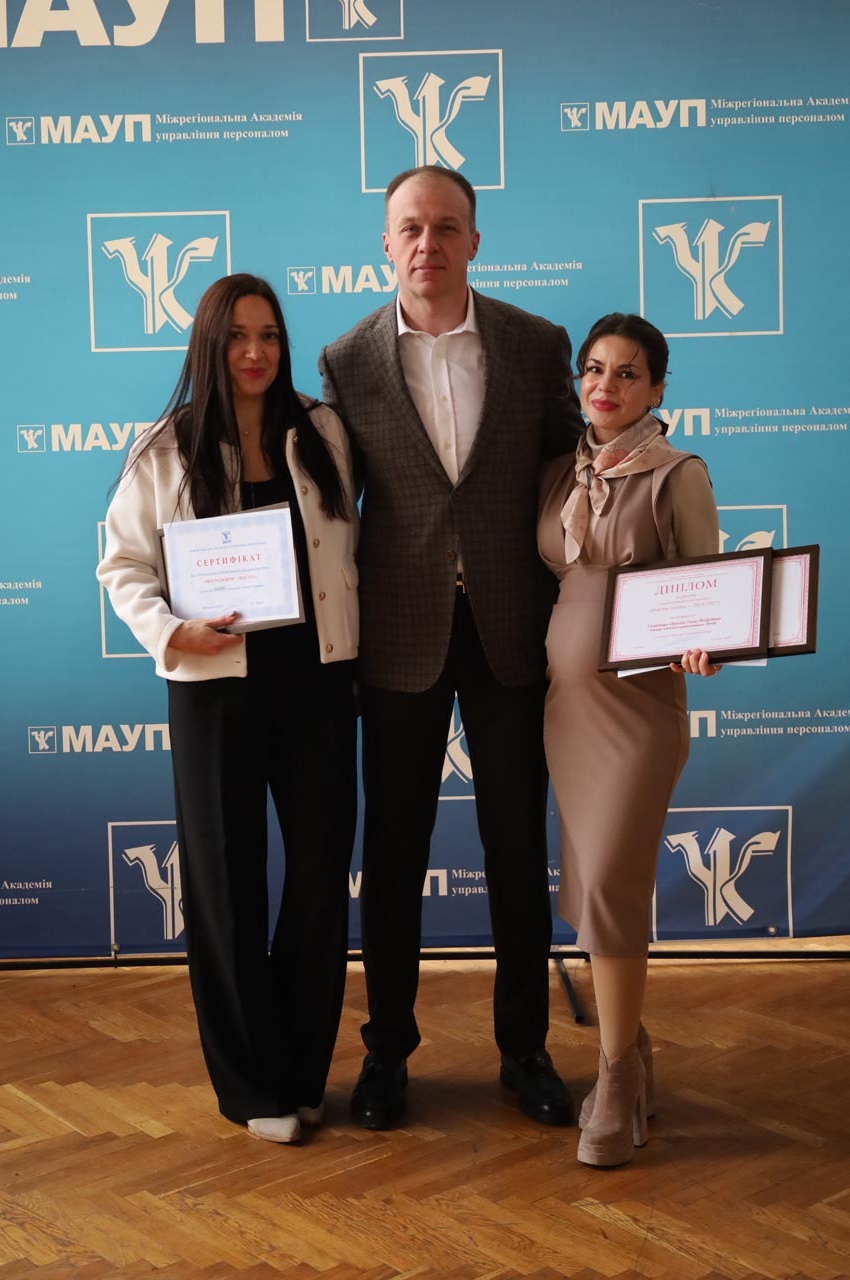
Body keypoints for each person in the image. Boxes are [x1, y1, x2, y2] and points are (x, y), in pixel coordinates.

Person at [319, 164, 584, 1131]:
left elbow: (573, 473)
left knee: (516, 846)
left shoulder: (535, 344)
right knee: (394, 854)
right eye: (409, 228)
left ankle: (525, 1051)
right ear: (384, 245)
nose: (426, 244)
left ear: (474, 239)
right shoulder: (345, 361)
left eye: (445, 226)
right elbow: (328, 505)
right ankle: (386, 1052)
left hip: (514, 630)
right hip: (398, 636)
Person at [98, 274, 359, 1144]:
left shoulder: (321, 430)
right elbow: (122, 566)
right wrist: (172, 630)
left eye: (269, 335)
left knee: (319, 876)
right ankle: (253, 1085)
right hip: (214, 686)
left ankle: (303, 1070)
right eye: (238, 336)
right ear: (209, 346)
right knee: (225, 883)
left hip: (317, 682)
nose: (255, 352)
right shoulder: (164, 448)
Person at [537, 312, 720, 1167]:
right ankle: (629, 1049)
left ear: (655, 389)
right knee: (590, 890)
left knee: (611, 883)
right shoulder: (559, 472)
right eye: (593, 370)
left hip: (639, 713)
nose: (604, 386)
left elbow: (705, 591)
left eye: (626, 373)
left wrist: (706, 643)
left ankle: (613, 1077)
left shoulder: (677, 473)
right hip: (566, 713)